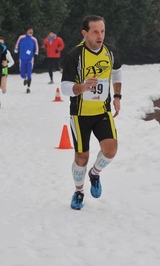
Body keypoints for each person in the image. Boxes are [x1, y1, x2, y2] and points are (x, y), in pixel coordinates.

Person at [61, 15, 122, 210]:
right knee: (82, 157)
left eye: (102, 31)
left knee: (111, 149)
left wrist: (117, 96)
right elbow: (64, 87)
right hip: (80, 115)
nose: (100, 36)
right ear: (84, 33)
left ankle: (94, 173)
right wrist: (82, 87)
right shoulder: (74, 56)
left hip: (102, 111)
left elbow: (117, 71)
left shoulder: (110, 52)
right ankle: (78, 192)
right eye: (95, 31)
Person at [14, 25, 39, 93]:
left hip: (30, 59)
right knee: (22, 73)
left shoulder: (34, 39)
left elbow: (36, 48)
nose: (31, 31)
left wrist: (36, 54)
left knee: (29, 73)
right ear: (27, 31)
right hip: (22, 58)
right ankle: (24, 79)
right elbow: (17, 44)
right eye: (29, 30)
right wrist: (15, 52)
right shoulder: (21, 37)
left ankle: (28, 87)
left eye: (32, 30)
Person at [0, 37, 14, 108]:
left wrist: (7, 65)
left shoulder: (7, 52)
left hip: (4, 71)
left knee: (2, 86)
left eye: (2, 43)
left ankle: (4, 88)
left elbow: (12, 62)